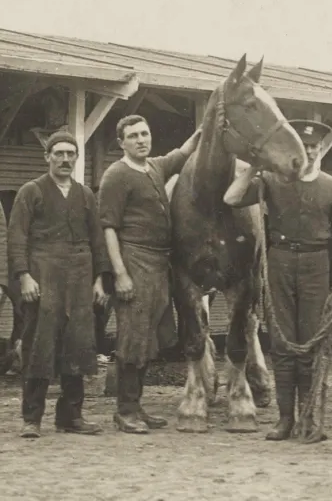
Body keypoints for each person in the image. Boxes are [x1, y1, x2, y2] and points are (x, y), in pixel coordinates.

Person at [223, 119, 332, 442]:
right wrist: (254, 166)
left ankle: (309, 418)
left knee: (310, 342)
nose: (309, 152)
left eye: (314, 147)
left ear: (321, 150)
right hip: (280, 260)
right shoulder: (271, 180)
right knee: (282, 344)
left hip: (316, 263)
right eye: (304, 146)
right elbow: (232, 198)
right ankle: (285, 419)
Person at [98, 115, 200, 434]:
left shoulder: (155, 166)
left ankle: (137, 405)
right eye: (133, 136)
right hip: (133, 258)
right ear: (122, 142)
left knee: (149, 337)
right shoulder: (116, 174)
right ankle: (125, 410)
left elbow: (183, 153)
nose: (141, 139)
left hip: (159, 263)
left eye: (145, 133)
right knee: (132, 336)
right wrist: (120, 273)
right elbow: (109, 229)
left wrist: (207, 125)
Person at [7, 129, 111, 438]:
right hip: (43, 275)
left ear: (76, 158)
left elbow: (97, 240)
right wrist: (24, 276)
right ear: (47, 157)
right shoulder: (31, 191)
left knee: (78, 345)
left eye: (70, 154)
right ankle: (32, 418)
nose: (65, 159)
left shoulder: (85, 195)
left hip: (80, 277)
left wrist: (99, 280)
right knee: (40, 343)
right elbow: (17, 237)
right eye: (59, 154)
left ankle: (71, 417)